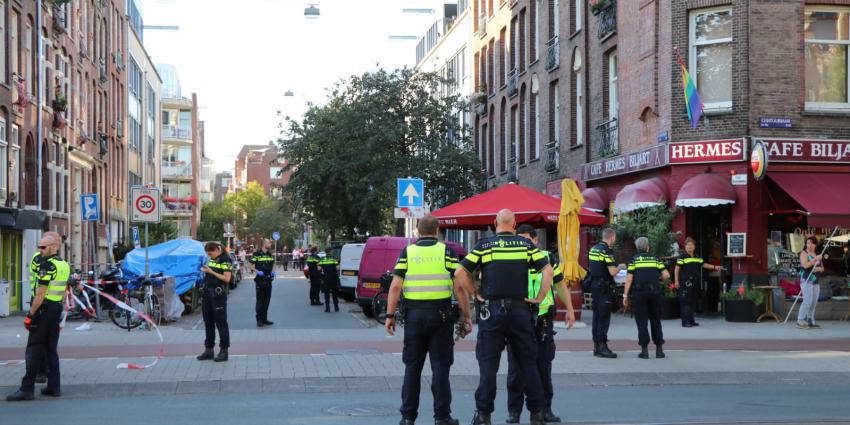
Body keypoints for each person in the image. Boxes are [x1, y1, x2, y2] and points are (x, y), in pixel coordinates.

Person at [454, 209, 553, 425]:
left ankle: (484, 415)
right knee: (528, 364)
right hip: (520, 311)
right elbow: (548, 270)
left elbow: (459, 272)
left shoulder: (484, 246)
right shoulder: (526, 245)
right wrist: (540, 296)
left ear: (494, 223)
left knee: (488, 366)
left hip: (492, 312)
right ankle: (537, 414)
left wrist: (474, 293)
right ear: (515, 224)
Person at [385, 215, 470, 425]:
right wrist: (466, 315)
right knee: (440, 368)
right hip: (441, 316)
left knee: (412, 368)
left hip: (414, 317)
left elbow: (395, 286)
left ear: (418, 230)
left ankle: (407, 417)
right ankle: (442, 417)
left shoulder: (408, 252)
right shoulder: (446, 252)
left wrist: (389, 315)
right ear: (437, 230)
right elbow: (459, 286)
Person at [505, 225, 575, 424]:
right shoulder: (511, 257)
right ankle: (514, 412)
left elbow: (559, 284)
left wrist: (570, 309)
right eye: (520, 239)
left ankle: (545, 410)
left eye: (527, 240)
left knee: (543, 366)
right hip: (518, 319)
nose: (524, 243)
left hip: (543, 320)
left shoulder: (547, 257)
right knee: (516, 369)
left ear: (536, 240)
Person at [7, 232, 69, 401]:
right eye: (39, 246)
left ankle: (27, 389)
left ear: (53, 247)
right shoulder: (63, 264)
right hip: (55, 308)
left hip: (43, 310)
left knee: (34, 348)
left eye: (43, 247)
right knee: (51, 349)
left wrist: (30, 314)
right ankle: (54, 387)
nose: (40, 250)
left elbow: (40, 294)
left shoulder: (47, 266)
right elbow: (63, 290)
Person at [623, 237, 670, 359]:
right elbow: (666, 275)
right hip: (655, 292)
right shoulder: (655, 258)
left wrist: (625, 295)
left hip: (639, 293)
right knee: (656, 320)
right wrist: (657, 279)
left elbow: (629, 279)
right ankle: (659, 350)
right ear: (648, 247)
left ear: (637, 247)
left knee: (642, 322)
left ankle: (644, 351)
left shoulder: (634, 260)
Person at [587, 227, 622, 359]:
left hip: (595, 286)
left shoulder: (593, 249)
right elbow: (612, 272)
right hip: (604, 288)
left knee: (596, 316)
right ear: (612, 237)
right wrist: (620, 267)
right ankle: (602, 347)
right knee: (604, 317)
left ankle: (596, 346)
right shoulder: (607, 251)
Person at [674, 237, 724, 327]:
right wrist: (676, 281)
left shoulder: (697, 256)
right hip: (686, 282)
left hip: (695, 282)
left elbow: (703, 264)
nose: (689, 246)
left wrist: (715, 267)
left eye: (691, 245)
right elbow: (677, 269)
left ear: (694, 247)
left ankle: (691, 320)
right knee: (686, 302)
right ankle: (685, 322)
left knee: (693, 302)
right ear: (685, 247)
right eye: (688, 245)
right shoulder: (682, 257)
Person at [197, 242, 232, 362]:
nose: (209, 256)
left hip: (218, 295)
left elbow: (227, 278)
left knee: (221, 324)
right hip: (207, 294)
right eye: (208, 254)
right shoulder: (213, 259)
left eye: (211, 253)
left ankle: (224, 351)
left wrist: (211, 272)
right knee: (208, 323)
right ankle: (209, 350)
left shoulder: (226, 260)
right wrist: (205, 270)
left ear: (217, 249)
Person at [797, 236, 824, 330]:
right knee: (807, 301)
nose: (810, 245)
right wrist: (815, 259)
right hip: (806, 280)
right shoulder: (804, 253)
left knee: (813, 302)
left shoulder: (817, 254)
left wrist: (818, 269)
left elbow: (822, 268)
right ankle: (800, 320)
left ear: (815, 245)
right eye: (808, 243)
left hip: (815, 281)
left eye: (812, 243)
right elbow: (805, 265)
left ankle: (810, 320)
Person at [249, 239, 276, 327]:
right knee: (260, 301)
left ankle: (264, 319)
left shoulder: (270, 254)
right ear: (264, 244)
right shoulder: (256, 254)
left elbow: (273, 264)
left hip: (268, 280)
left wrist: (273, 272)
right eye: (269, 243)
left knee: (266, 301)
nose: (270, 244)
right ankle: (259, 320)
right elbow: (249, 265)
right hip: (260, 280)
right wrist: (257, 271)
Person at [319, 248, 341, 313]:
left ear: (325, 252)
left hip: (326, 279)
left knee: (327, 294)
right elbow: (337, 268)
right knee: (334, 293)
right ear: (330, 252)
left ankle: (327, 308)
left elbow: (319, 269)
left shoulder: (322, 260)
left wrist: (322, 273)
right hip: (333, 278)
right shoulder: (334, 259)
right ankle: (336, 307)